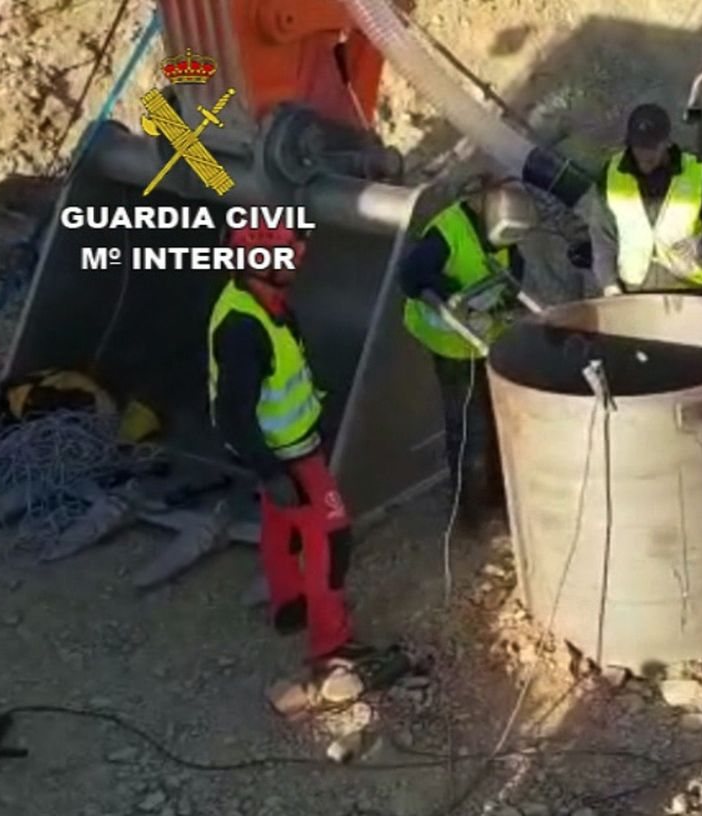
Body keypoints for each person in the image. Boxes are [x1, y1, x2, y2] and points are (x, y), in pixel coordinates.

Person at [208, 226, 373, 674]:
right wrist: (270, 472)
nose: (296, 263)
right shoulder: (244, 328)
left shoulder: (260, 304)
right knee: (332, 538)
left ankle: (290, 606)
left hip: (288, 449)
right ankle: (331, 642)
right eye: (286, 256)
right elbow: (231, 413)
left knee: (280, 529)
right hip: (290, 457)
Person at [399, 180, 538, 530]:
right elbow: (410, 277)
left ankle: (498, 495)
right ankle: (469, 510)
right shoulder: (447, 234)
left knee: (496, 420)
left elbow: (512, 272)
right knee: (466, 427)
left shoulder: (503, 230)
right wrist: (454, 297)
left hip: (487, 337)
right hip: (451, 343)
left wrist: (504, 306)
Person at [589, 103, 702, 296]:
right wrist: (609, 283)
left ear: (667, 143)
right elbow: (602, 237)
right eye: (639, 147)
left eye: (652, 148)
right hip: (634, 290)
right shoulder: (611, 175)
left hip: (693, 289)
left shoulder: (700, 171)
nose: (645, 154)